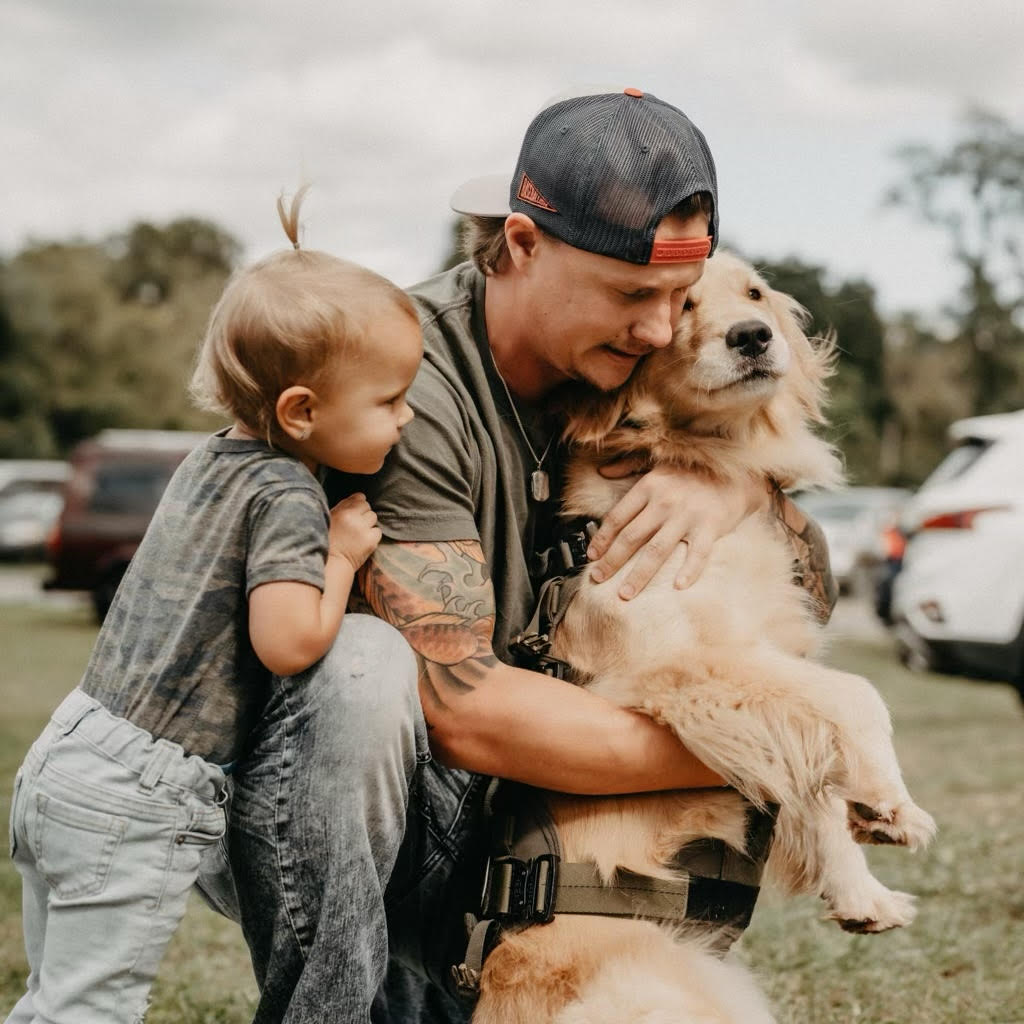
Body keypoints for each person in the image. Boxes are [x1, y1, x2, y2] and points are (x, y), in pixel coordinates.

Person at [214, 88, 835, 1023]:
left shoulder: (625, 371)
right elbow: (467, 715)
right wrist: (784, 747)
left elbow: (804, 599)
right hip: (355, 799)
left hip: (518, 829)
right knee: (364, 669)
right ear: (521, 244)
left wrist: (736, 484)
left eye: (679, 296)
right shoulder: (403, 381)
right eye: (633, 294)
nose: (663, 329)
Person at [4, 191, 423, 1024]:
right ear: (302, 411)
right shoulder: (286, 494)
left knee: (53, 998)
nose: (407, 420)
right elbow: (288, 643)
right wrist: (340, 559)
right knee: (89, 1009)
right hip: (137, 793)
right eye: (389, 400)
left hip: (69, 754)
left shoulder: (207, 462)